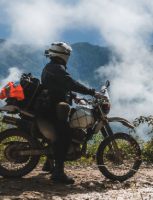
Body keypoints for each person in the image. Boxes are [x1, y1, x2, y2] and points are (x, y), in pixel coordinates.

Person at [41, 41, 99, 184]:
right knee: (65, 136)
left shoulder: (50, 67)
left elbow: (58, 87)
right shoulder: (59, 69)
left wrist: (74, 97)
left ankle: (49, 164)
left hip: (50, 106)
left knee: (58, 135)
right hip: (54, 109)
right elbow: (71, 83)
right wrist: (92, 92)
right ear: (63, 54)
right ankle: (58, 172)